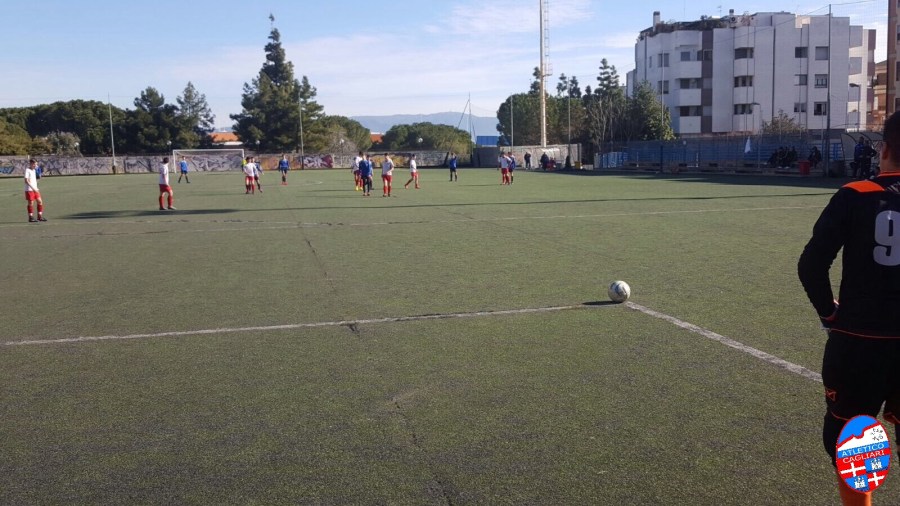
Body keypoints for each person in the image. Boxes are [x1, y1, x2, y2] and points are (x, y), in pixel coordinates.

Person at [798, 111, 900, 506]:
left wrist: (829, 313)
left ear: (884, 148)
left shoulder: (855, 195)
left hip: (860, 342)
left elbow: (811, 264)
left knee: (856, 445)